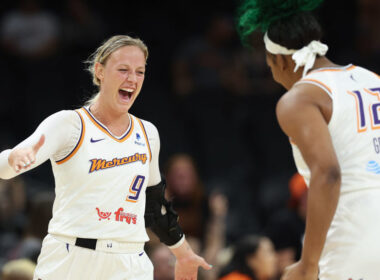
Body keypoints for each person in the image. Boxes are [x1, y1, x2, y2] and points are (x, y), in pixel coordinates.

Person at [0, 35, 211, 280]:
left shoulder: (148, 133)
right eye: (123, 70)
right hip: (72, 257)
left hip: (130, 262)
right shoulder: (69, 124)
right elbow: (7, 167)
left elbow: (155, 206)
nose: (132, 79)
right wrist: (13, 157)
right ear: (99, 71)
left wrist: (183, 254)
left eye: (139, 71)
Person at [237, 0, 380, 279]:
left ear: (280, 59)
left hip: (354, 238)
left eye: (270, 66)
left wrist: (308, 263)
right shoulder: (372, 78)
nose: (274, 75)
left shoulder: (299, 99)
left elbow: (327, 173)